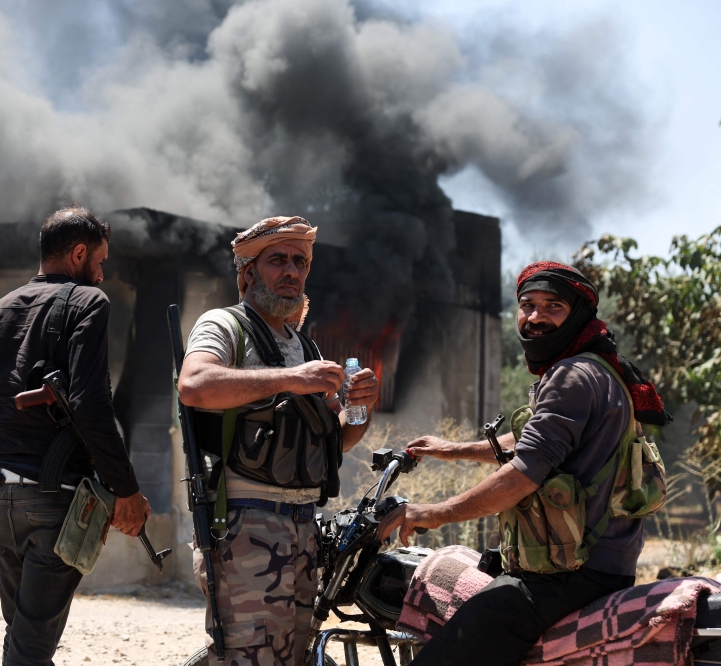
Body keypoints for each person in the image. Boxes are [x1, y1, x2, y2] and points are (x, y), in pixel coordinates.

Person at [376, 261, 672, 666]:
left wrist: (430, 513)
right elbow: (536, 440)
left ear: (579, 316)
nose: (535, 317)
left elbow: (523, 474)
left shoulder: (571, 375)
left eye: (553, 306)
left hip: (565, 577)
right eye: (527, 305)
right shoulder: (599, 370)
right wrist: (452, 449)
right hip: (603, 566)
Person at [178, 216, 379, 666]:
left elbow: (338, 442)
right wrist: (291, 378)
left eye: (300, 262)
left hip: (304, 529)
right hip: (245, 525)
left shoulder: (306, 348)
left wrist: (361, 407)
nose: (291, 271)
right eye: (278, 260)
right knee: (249, 657)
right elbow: (193, 384)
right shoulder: (225, 325)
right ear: (249, 271)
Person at [0, 205, 151, 666]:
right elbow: (91, 405)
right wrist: (125, 490)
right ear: (79, 254)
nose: (101, 275)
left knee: (22, 640)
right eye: (99, 262)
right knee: (28, 650)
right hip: (53, 504)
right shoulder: (89, 302)